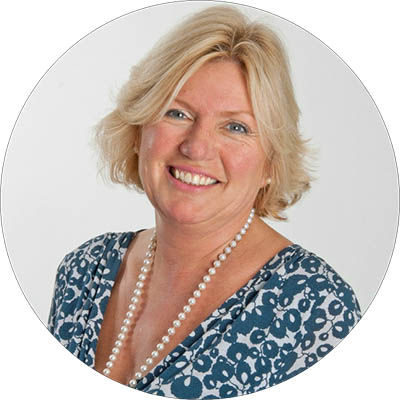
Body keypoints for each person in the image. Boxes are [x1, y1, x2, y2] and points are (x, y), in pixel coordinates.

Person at [48, 5, 361, 399]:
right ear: (138, 130)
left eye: (236, 127)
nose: (196, 147)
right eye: (177, 113)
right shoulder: (83, 272)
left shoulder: (317, 307)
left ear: (271, 163)